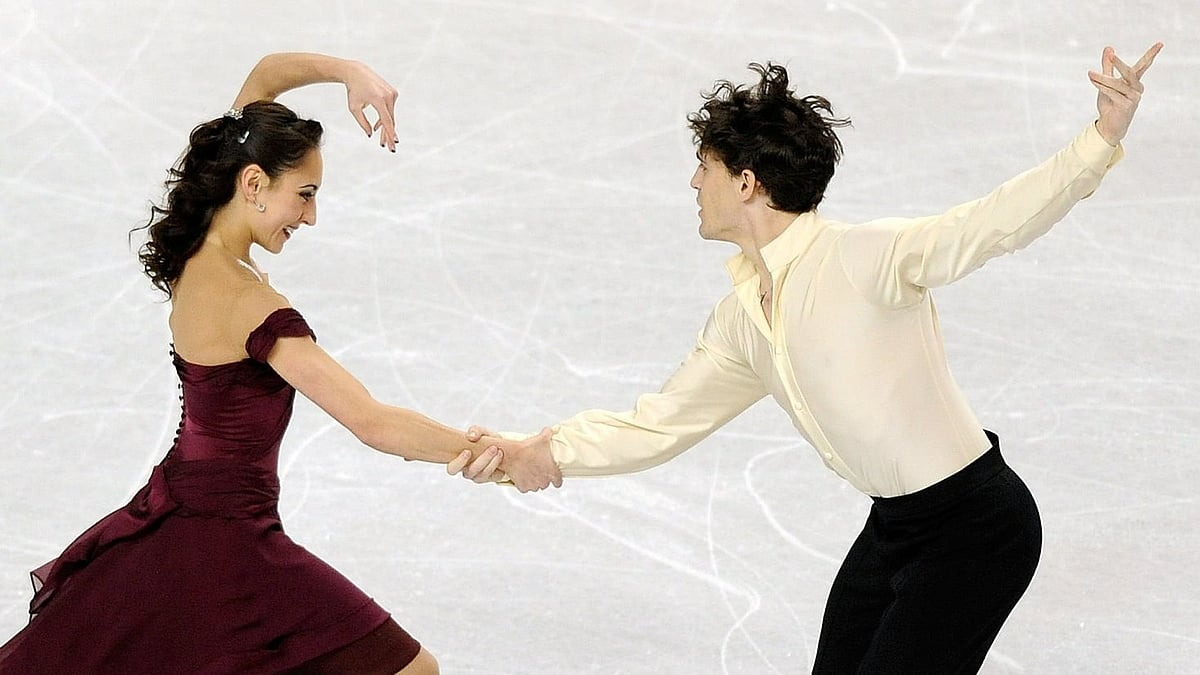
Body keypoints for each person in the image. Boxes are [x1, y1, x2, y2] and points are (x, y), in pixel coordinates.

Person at [452, 43, 1163, 673]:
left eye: (704, 167)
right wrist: (541, 449)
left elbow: (992, 222)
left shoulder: (863, 258)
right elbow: (658, 423)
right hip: (894, 530)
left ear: (748, 182)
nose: (693, 185)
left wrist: (1101, 136)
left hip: (975, 528)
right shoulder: (744, 319)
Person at [0, 52, 495, 674]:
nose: (312, 215)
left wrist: (348, 72)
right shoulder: (247, 303)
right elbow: (373, 423)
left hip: (184, 516)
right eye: (305, 194)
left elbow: (263, 79)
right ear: (255, 184)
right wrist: (499, 453)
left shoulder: (199, 243)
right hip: (222, 540)